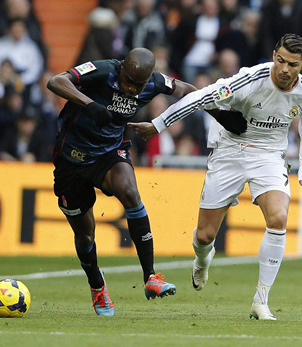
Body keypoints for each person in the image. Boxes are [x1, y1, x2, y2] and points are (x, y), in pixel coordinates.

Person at [128, 34, 302, 320]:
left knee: (278, 218)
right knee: (205, 236)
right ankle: (202, 260)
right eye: (279, 60)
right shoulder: (250, 79)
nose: (283, 68)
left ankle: (261, 299)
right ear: (273, 55)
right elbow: (199, 97)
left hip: (269, 155)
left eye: (291, 64)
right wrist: (158, 125)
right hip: (229, 149)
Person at [47, 48, 246, 317]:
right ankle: (97, 286)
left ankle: (150, 277)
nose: (130, 89)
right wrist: (89, 104)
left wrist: (221, 115)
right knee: (84, 235)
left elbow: (189, 91)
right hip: (71, 158)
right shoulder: (103, 69)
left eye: (137, 85)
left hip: (108, 152)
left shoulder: (156, 82)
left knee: (130, 193)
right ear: (122, 69)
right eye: (127, 80)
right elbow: (56, 81)